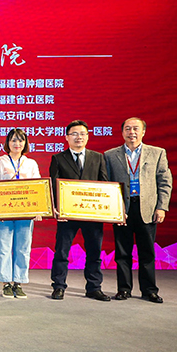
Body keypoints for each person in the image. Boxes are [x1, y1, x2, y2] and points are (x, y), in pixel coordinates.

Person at [103, 117, 173, 303]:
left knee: (147, 252)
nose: (131, 132)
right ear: (122, 132)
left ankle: (149, 290)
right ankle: (123, 289)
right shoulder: (110, 155)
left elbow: (165, 182)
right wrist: (114, 209)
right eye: (127, 129)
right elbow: (106, 185)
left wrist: (161, 207)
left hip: (147, 208)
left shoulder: (157, 153)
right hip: (122, 209)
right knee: (122, 253)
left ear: (143, 132)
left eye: (135, 128)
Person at [49, 120, 110, 301]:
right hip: (67, 214)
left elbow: (104, 184)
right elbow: (53, 186)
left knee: (94, 252)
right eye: (74, 134)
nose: (79, 137)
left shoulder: (98, 157)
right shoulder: (58, 158)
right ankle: (58, 286)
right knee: (62, 251)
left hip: (92, 213)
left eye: (82, 134)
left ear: (88, 137)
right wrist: (56, 209)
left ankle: (94, 287)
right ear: (67, 137)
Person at [0, 128, 42, 299]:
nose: (17, 143)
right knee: (4, 248)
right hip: (3, 212)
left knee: (23, 248)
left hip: (25, 212)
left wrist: (38, 210)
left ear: (25, 143)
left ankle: (18, 282)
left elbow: (37, 188)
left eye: (20, 140)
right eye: (13, 140)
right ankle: (6, 283)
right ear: (7, 143)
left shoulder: (31, 163)